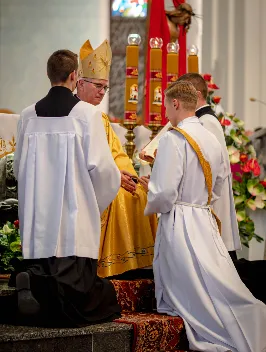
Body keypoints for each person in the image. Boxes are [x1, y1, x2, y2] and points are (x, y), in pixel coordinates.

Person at [144, 81, 266, 352]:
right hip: (204, 218)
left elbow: (164, 192)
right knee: (213, 279)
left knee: (191, 287)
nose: (166, 112)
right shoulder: (211, 136)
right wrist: (201, 203)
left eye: (166, 105)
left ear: (175, 103)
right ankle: (249, 320)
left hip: (180, 219)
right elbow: (221, 181)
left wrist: (150, 196)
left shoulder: (173, 138)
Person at [11, 49, 121, 327]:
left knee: (44, 273)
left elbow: (18, 167)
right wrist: (90, 205)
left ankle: (32, 281)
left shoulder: (27, 115)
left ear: (49, 75)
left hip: (38, 224)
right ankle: (49, 293)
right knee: (99, 301)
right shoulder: (86, 115)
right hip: (73, 225)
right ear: (75, 76)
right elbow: (106, 171)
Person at [76, 39, 157, 279]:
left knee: (140, 191)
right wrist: (115, 177)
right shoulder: (73, 115)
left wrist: (128, 174)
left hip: (110, 174)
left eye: (105, 87)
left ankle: (135, 267)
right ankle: (110, 265)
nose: (102, 92)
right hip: (90, 181)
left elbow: (116, 152)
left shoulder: (100, 118)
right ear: (80, 83)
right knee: (118, 195)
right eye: (98, 86)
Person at [141, 73, 241, 257]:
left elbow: (186, 177)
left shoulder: (203, 124)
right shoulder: (203, 128)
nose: (165, 113)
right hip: (201, 214)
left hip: (189, 219)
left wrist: (155, 188)